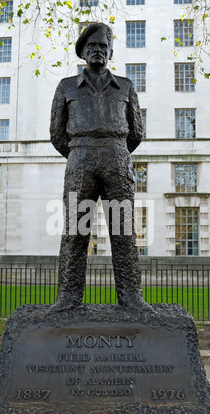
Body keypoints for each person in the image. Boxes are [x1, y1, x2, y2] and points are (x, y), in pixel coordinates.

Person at [50, 22, 148, 311]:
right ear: (83, 53)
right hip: (80, 159)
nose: (98, 51)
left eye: (103, 47)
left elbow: (136, 132)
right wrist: (81, 151)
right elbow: (57, 135)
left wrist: (113, 150)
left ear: (111, 52)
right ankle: (68, 296)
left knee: (124, 230)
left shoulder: (126, 87)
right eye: (92, 47)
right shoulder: (67, 87)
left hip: (117, 158)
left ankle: (130, 296)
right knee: (75, 231)